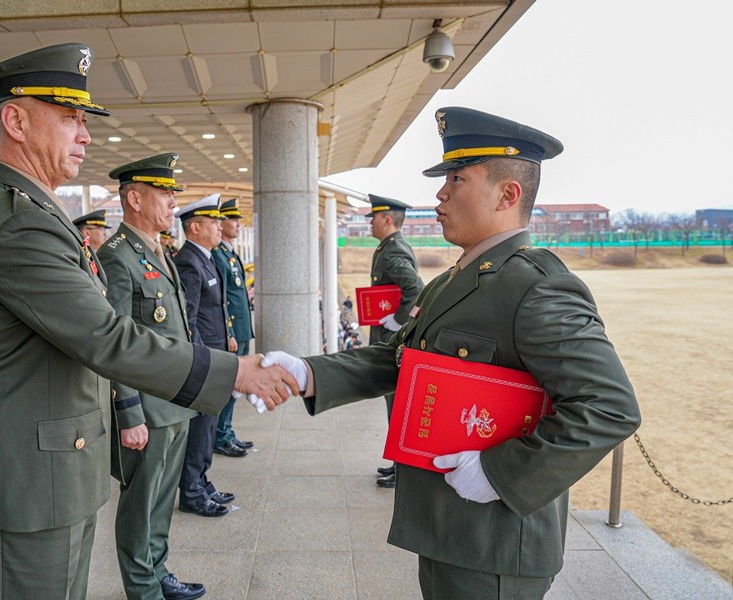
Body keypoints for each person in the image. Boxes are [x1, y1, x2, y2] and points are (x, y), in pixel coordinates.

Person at [0, 43, 295, 599]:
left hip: (49, 472)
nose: (85, 135)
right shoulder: (19, 223)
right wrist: (234, 373)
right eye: (70, 119)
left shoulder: (33, 209)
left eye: (84, 121)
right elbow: (107, 336)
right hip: (26, 484)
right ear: (16, 120)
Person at [262, 106, 641, 600]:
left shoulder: (537, 287)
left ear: (509, 194)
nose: (440, 194)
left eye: (457, 179)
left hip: (495, 541)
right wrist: (306, 372)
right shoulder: (452, 281)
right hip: (448, 525)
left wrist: (500, 474)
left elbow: (609, 408)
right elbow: (397, 362)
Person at [99, 153, 205, 600]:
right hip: (145, 407)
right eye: (164, 194)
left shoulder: (159, 251)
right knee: (141, 503)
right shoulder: (118, 257)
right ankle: (141, 587)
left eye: (172, 194)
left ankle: (158, 571)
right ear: (135, 198)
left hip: (174, 401)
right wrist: (129, 413)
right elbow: (114, 342)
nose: (172, 204)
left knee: (161, 499)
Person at [174, 194, 237, 517]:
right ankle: (192, 492)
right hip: (205, 359)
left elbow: (217, 307)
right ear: (195, 227)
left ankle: (201, 479)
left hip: (217, 352)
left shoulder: (207, 258)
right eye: (213, 223)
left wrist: (227, 337)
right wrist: (205, 360)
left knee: (209, 427)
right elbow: (189, 317)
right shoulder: (188, 261)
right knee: (201, 428)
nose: (219, 227)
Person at [364, 193, 424, 488]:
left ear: (387, 219)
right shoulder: (389, 246)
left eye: (373, 218)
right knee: (395, 404)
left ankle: (404, 469)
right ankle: (400, 464)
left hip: (393, 339)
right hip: (390, 337)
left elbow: (415, 289)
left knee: (398, 405)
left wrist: (398, 320)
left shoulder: (392, 250)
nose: (370, 223)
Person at [211, 198, 254, 458]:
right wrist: (228, 333)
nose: (238, 224)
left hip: (241, 329)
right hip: (232, 332)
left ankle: (227, 431)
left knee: (235, 386)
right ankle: (220, 435)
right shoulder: (218, 255)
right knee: (229, 385)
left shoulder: (229, 252)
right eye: (232, 219)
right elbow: (222, 299)